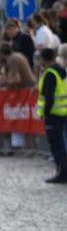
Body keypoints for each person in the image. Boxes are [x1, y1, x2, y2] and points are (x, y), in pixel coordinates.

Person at [35, 47, 67, 183]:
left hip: (54, 114)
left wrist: (45, 113)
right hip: (63, 113)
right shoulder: (61, 71)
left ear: (43, 59)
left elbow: (49, 97)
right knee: (61, 144)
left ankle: (62, 173)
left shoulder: (50, 74)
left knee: (56, 145)